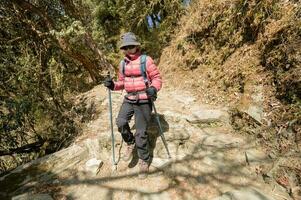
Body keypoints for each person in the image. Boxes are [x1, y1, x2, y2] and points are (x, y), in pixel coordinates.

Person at [104, 32, 162, 178]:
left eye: (131, 46)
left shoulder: (146, 60)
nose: (129, 49)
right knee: (121, 122)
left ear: (137, 46)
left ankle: (144, 160)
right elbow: (122, 83)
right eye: (126, 47)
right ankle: (130, 143)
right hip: (129, 98)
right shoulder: (123, 63)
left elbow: (156, 78)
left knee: (141, 132)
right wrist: (112, 85)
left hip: (144, 99)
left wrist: (153, 88)